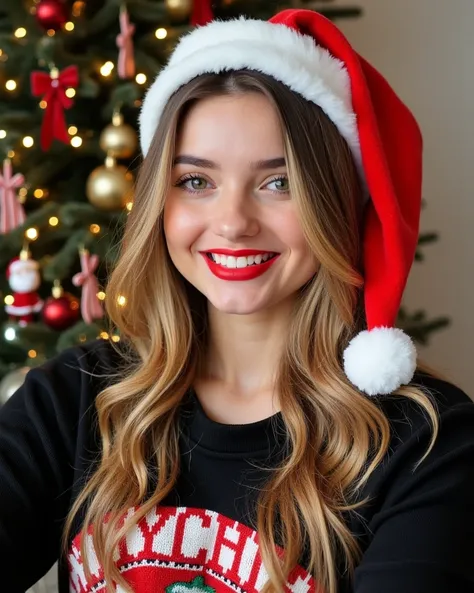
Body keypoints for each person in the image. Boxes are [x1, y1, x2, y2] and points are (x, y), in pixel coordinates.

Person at [1, 8, 473, 593]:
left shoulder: (426, 442)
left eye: (279, 183)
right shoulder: (74, 400)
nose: (233, 223)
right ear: (159, 203)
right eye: (196, 181)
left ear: (336, 203)